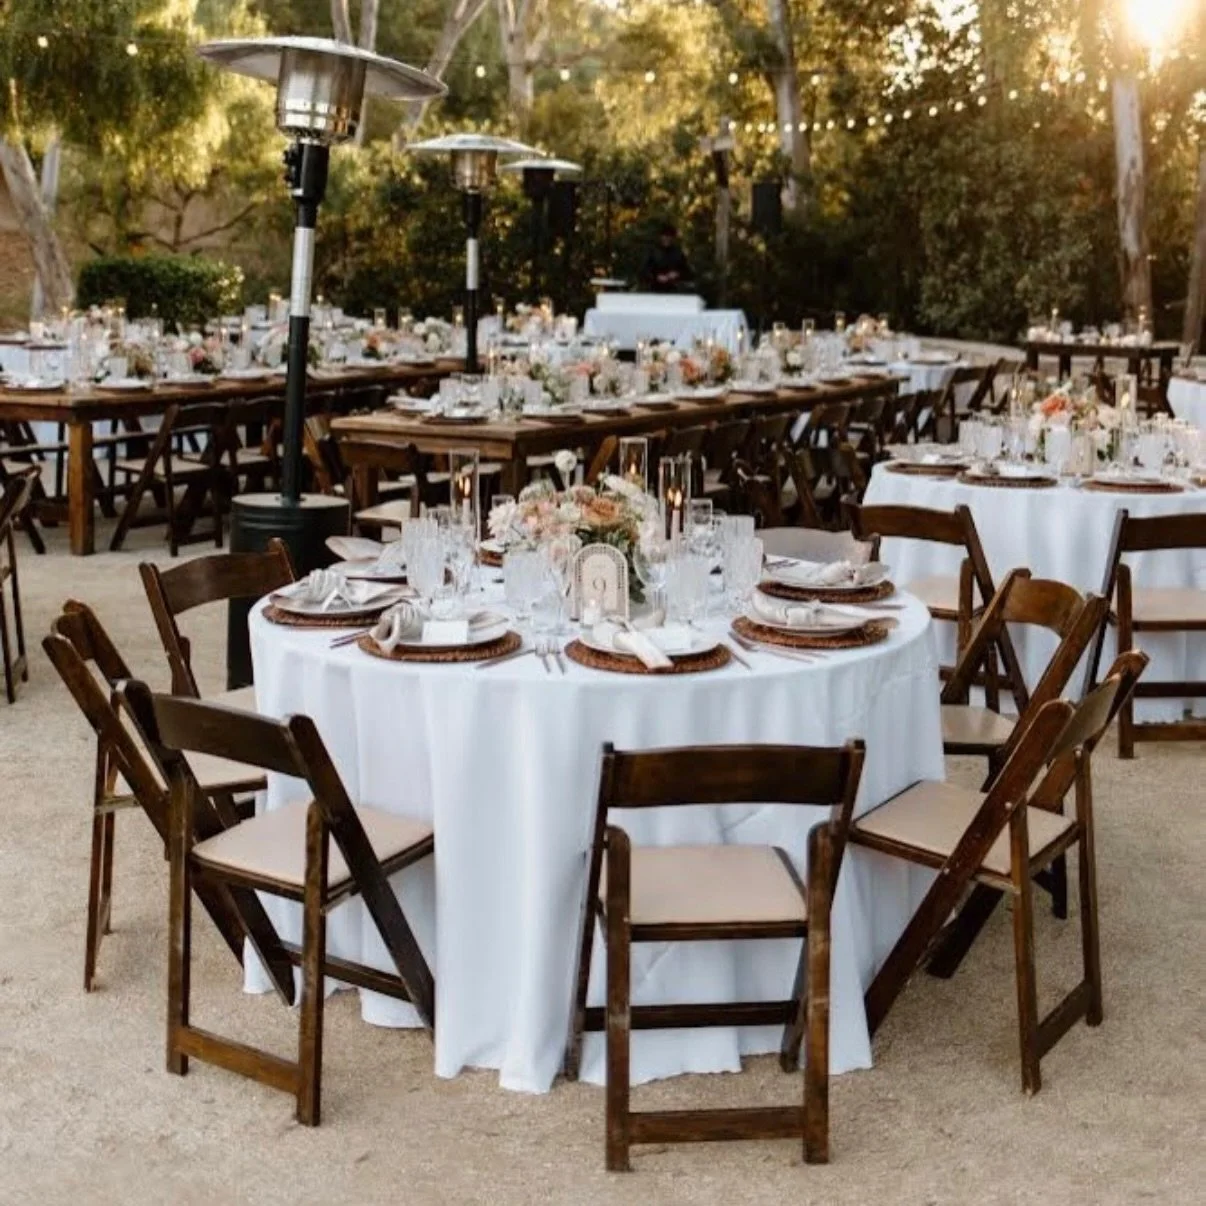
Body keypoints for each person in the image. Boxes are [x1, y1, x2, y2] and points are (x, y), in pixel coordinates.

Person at [640, 222, 694, 293]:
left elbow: (688, 272)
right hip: (654, 290)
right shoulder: (652, 252)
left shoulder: (678, 252)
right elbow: (644, 271)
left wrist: (677, 274)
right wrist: (656, 277)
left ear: (673, 238)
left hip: (674, 290)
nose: (667, 239)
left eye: (669, 236)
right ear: (660, 237)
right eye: (665, 236)